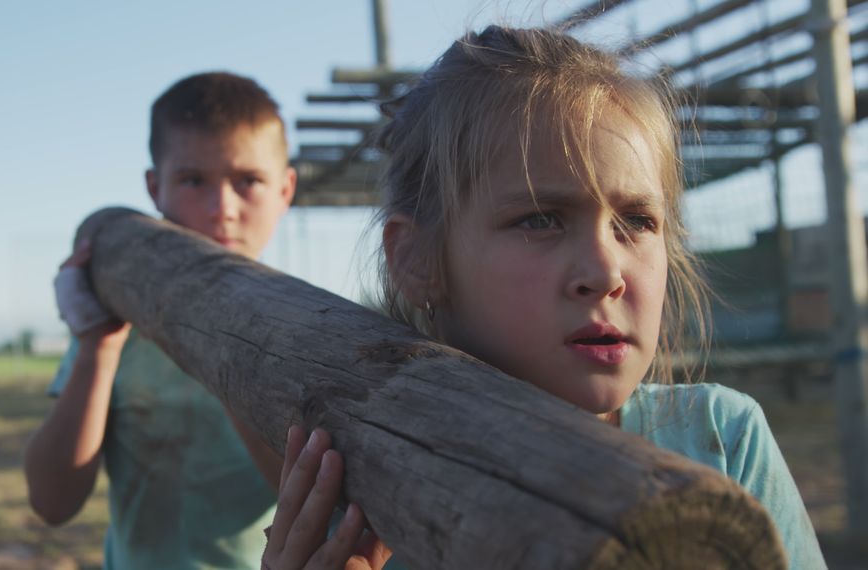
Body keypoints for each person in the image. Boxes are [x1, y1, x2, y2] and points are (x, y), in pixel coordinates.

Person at [262, 25, 827, 569]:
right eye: (540, 219)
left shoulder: (719, 443)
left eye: (636, 220)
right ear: (418, 261)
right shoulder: (365, 503)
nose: (606, 272)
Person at [24, 71, 296, 569]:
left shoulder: (306, 330)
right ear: (155, 188)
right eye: (194, 180)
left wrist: (223, 350)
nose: (223, 210)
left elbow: (306, 495)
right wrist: (96, 347)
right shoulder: (118, 329)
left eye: (248, 181)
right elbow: (51, 502)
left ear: (286, 188)